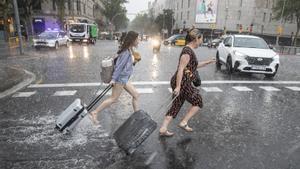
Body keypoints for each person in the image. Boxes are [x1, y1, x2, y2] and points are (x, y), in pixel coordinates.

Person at [159, 28, 215, 137]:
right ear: (196, 39)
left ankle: (163, 128)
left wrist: (208, 61)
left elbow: (193, 66)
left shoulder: (189, 51)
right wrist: (179, 86)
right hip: (183, 82)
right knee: (198, 101)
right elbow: (181, 69)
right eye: (201, 39)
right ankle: (184, 122)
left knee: (176, 104)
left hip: (182, 81)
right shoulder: (187, 52)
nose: (202, 42)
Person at [90, 31, 140, 124]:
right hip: (120, 79)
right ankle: (95, 112)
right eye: (137, 39)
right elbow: (119, 67)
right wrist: (113, 79)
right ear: (132, 40)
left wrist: (133, 62)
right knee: (114, 99)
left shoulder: (129, 50)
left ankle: (137, 117)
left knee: (136, 95)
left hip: (125, 78)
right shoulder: (126, 52)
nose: (139, 41)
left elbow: (125, 65)